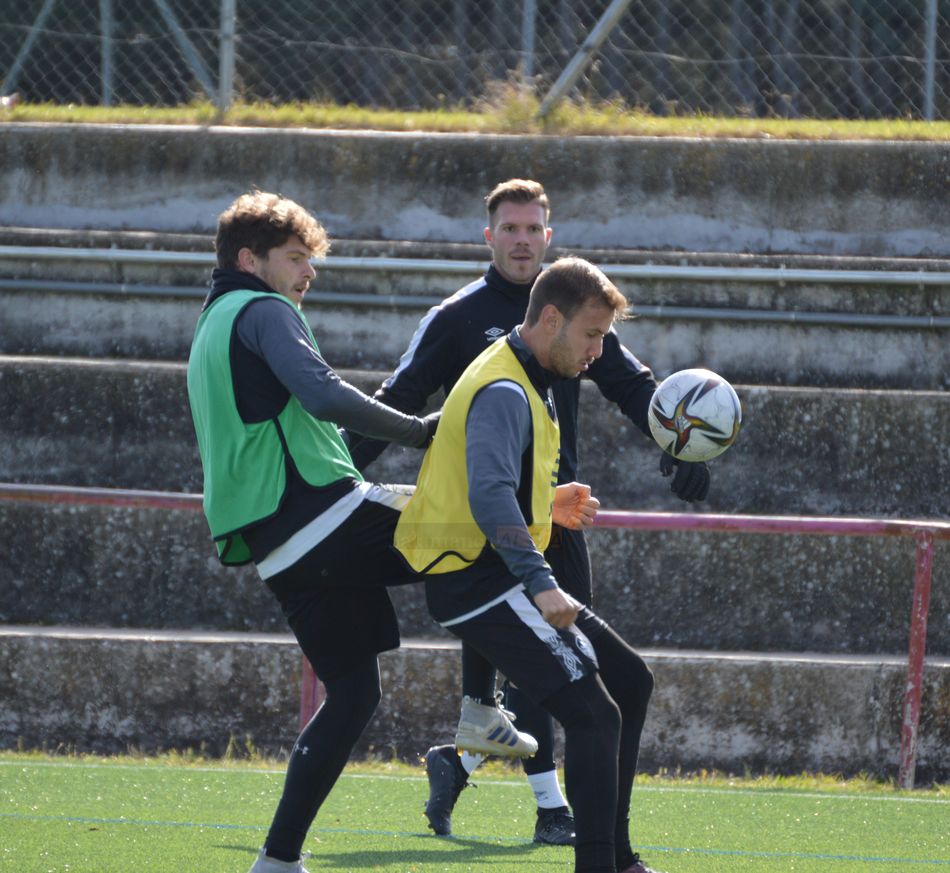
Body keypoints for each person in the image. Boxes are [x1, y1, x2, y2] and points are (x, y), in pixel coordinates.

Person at [347, 179, 709, 854]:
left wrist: (680, 441)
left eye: (533, 228)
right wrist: (332, 480)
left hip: (544, 522)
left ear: (548, 235)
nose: (522, 238)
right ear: (490, 237)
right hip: (493, 552)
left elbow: (635, 388)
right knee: (582, 698)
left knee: (607, 682)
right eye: (509, 227)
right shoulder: (478, 339)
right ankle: (559, 816)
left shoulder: (573, 313)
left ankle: (486, 771)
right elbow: (406, 408)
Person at [186, 190, 448, 873]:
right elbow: (324, 393)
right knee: (486, 542)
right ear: (251, 260)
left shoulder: (210, 325)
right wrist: (421, 430)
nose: (309, 272)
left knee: (355, 693)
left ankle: (276, 860)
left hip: (279, 549)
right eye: (296, 258)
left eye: (313, 260)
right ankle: (482, 716)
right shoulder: (265, 309)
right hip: (324, 518)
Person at [393, 256, 668, 873]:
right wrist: (542, 585)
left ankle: (617, 858)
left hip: (491, 572)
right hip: (479, 580)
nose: (600, 350)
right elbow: (488, 495)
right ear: (551, 318)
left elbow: (486, 481)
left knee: (629, 682)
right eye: (593, 334)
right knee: (593, 715)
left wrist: (547, 502)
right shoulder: (504, 386)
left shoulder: (529, 370)